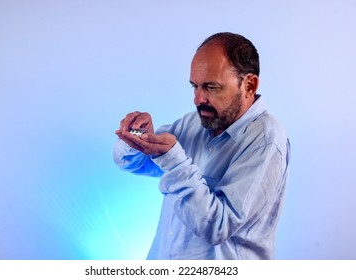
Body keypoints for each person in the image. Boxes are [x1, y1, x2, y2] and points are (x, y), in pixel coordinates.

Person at [113, 32, 290, 260]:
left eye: (211, 87)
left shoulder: (266, 139)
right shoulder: (196, 122)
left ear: (249, 85)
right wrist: (137, 137)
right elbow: (130, 163)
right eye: (194, 86)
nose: (198, 99)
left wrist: (173, 161)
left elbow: (217, 226)